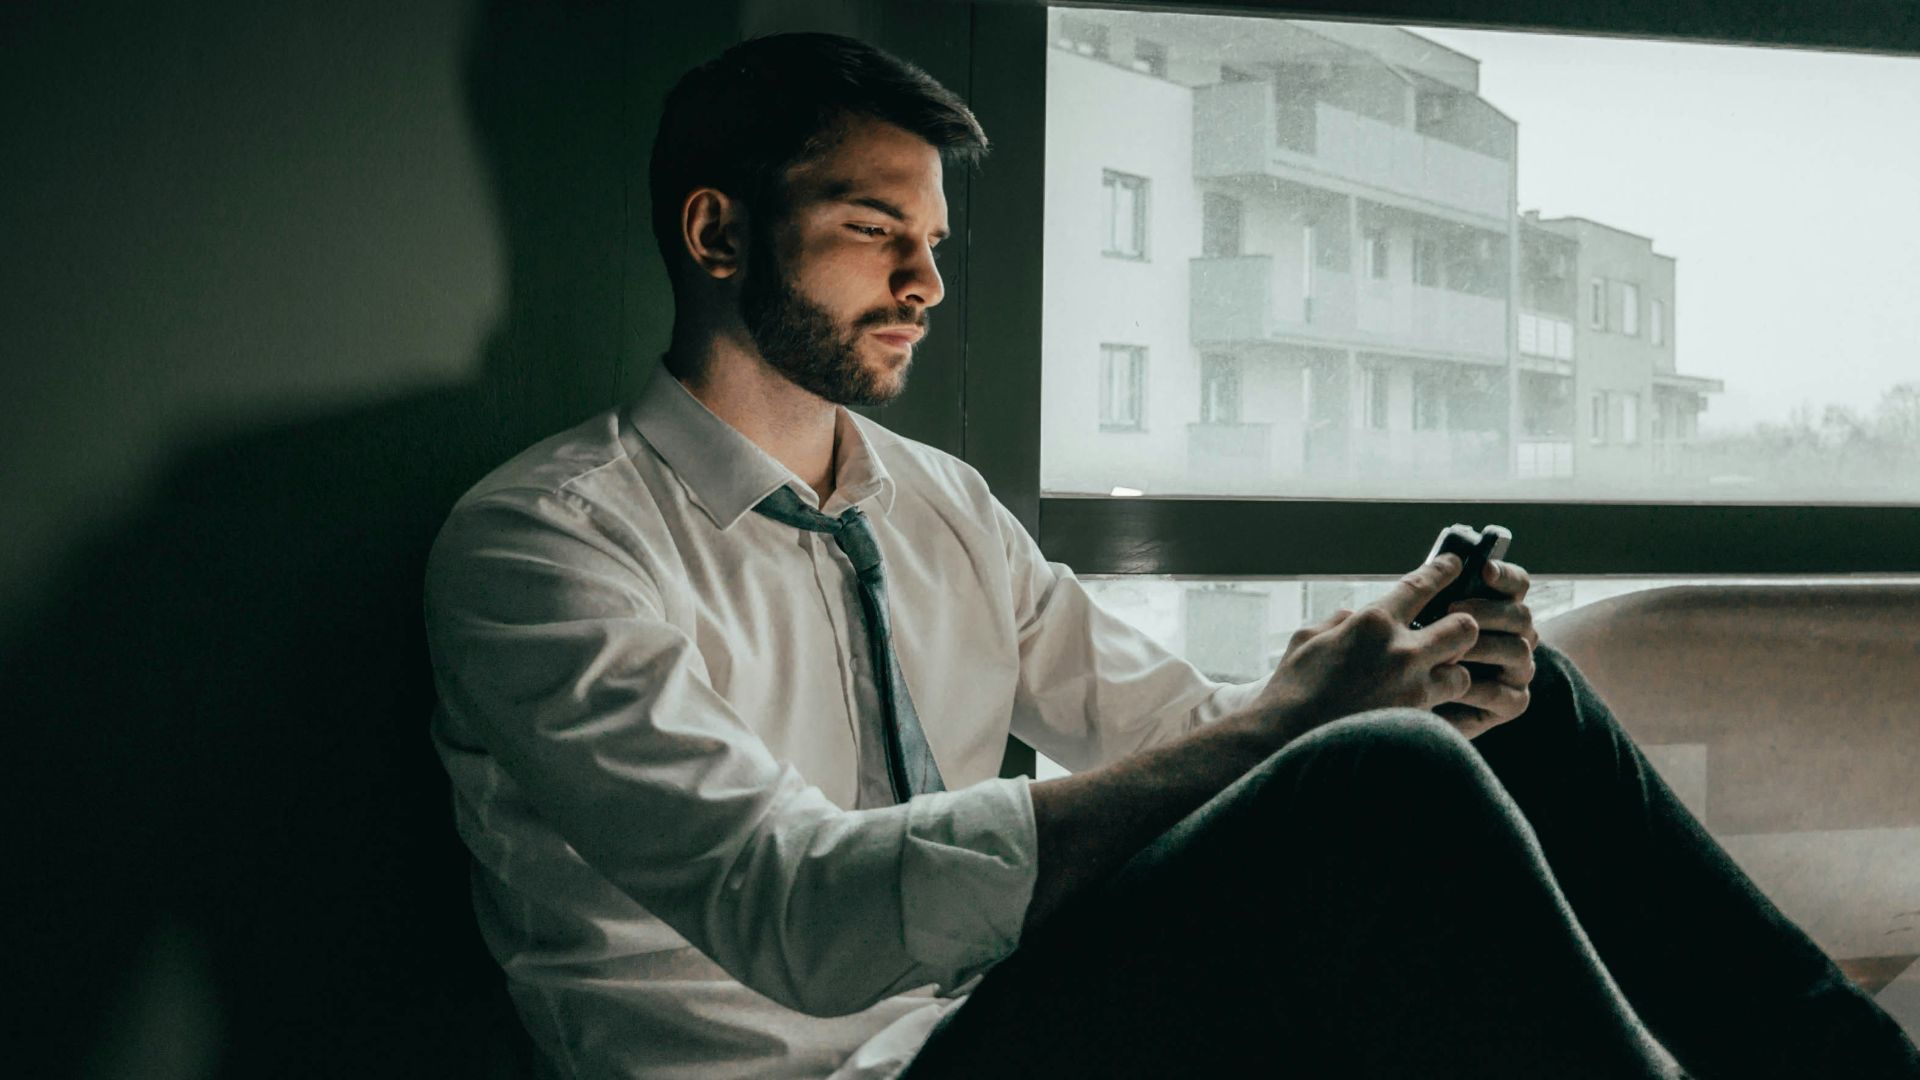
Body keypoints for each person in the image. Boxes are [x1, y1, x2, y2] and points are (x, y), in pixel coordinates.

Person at [423, 31, 1920, 1080]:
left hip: (1003, 1024)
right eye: (876, 228)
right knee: (1380, 773)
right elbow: (796, 910)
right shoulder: (546, 549)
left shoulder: (935, 502)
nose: (928, 280)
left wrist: (1388, 660)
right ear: (719, 233)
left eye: (937, 239)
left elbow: (1177, 733)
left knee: (1488, 700)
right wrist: (1315, 724)